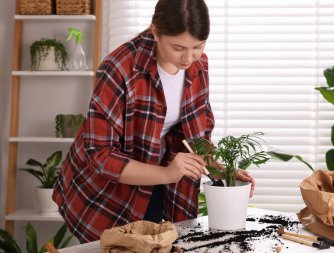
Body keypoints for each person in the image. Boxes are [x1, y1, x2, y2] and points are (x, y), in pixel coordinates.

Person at [53, 0, 254, 243]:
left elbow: (195, 139)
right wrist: (167, 173)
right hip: (109, 194)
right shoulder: (119, 68)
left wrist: (221, 170)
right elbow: (101, 156)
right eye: (178, 47)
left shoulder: (199, 66)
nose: (189, 58)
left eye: (198, 47)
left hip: (168, 185)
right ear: (156, 32)